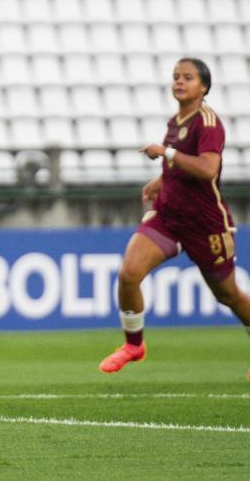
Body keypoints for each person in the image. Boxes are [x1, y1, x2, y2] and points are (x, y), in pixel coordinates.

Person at [99, 57, 250, 376]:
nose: (179, 82)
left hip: (204, 223)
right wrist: (161, 180)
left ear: (204, 87)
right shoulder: (176, 121)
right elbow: (181, 165)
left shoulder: (207, 123)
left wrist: (165, 153)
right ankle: (134, 344)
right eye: (176, 77)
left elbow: (208, 167)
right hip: (168, 215)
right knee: (129, 273)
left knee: (228, 295)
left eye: (188, 77)